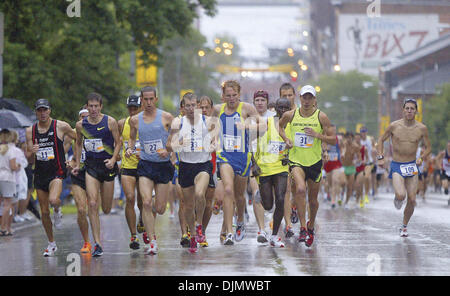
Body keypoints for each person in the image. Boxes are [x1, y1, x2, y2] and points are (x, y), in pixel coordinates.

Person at [279, 85, 336, 247]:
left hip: (315, 162)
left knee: (313, 200)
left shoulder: (321, 117)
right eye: (304, 97)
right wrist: (286, 139)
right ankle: (303, 227)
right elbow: (280, 126)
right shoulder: (291, 115)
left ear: (314, 100)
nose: (307, 100)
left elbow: (333, 139)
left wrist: (317, 135)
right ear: (300, 98)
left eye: (310, 97)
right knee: (300, 189)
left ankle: (311, 226)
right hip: (296, 161)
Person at [126, 86, 175, 255]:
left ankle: (149, 216)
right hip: (145, 165)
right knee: (145, 202)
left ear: (156, 99)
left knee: (160, 208)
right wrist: (130, 148)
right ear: (141, 100)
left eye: (150, 99)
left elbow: (177, 139)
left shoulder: (167, 117)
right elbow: (132, 137)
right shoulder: (135, 120)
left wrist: (168, 150)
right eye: (144, 99)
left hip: (163, 166)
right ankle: (152, 240)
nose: (148, 102)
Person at [213, 80, 262, 245]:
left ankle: (240, 219)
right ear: (223, 96)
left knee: (240, 196)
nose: (232, 98)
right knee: (228, 189)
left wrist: (248, 126)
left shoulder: (247, 108)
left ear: (239, 94)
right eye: (228, 95)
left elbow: (262, 126)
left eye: (234, 95)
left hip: (242, 157)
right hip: (225, 156)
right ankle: (228, 231)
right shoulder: (218, 110)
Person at [167, 92, 217, 253]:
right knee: (188, 206)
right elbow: (169, 146)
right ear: (183, 107)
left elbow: (216, 142)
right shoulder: (178, 122)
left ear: (197, 106)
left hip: (203, 164)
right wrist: (180, 142)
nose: (190, 108)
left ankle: (199, 224)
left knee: (200, 194)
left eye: (193, 105)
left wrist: (212, 144)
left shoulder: (208, 121)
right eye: (187, 105)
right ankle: (193, 235)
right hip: (185, 166)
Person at [73, 93, 122, 257]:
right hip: (91, 166)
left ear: (100, 106)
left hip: (107, 166)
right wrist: (78, 163)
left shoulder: (110, 121)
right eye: (90, 106)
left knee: (106, 209)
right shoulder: (81, 125)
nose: (93, 109)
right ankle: (97, 244)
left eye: (96, 106)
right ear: (86, 107)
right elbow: (78, 143)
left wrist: (114, 159)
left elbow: (118, 142)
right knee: (92, 204)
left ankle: (104, 203)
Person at [25, 99, 77, 256]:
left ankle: (58, 208)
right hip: (40, 174)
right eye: (39, 110)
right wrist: (32, 151)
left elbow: (78, 137)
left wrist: (74, 159)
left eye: (45, 110)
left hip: (57, 171)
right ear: (36, 112)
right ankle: (51, 243)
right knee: (44, 212)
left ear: (49, 111)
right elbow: (28, 158)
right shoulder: (30, 131)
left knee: (54, 200)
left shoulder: (61, 126)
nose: (42, 113)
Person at [377, 98, 431, 237]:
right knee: (401, 195)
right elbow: (381, 140)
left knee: (412, 199)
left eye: (412, 109)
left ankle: (404, 226)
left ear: (416, 111)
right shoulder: (394, 126)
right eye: (407, 108)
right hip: (397, 165)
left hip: (412, 166)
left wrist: (421, 158)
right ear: (403, 110)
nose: (409, 111)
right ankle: (398, 198)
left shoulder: (421, 128)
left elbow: (428, 148)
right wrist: (380, 157)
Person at [254, 97, 292, 247]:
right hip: (265, 167)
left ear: (290, 109)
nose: (283, 111)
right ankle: (262, 197)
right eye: (280, 108)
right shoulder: (268, 123)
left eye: (286, 108)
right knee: (269, 205)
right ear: (276, 109)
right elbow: (253, 142)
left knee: (281, 199)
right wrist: (254, 163)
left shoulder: (292, 125)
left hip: (281, 167)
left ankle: (274, 236)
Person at [118, 95, 145, 250]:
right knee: (129, 198)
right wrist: (115, 158)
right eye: (130, 108)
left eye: (136, 108)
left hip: (143, 166)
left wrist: (146, 153)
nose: (133, 111)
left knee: (143, 201)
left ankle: (142, 218)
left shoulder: (147, 123)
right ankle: (133, 235)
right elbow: (117, 142)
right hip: (128, 167)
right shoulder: (122, 123)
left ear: (141, 108)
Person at [250, 90, 276, 243]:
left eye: (262, 100)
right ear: (253, 102)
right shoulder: (248, 119)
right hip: (254, 161)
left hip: (272, 161)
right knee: (257, 194)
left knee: (271, 198)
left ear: (267, 102)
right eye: (257, 100)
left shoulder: (274, 118)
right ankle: (261, 229)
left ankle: (272, 221)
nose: (260, 102)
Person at [67, 107, 92, 253]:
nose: (84, 120)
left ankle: (97, 239)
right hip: (77, 174)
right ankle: (86, 242)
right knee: (81, 209)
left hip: (93, 173)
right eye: (82, 117)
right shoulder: (71, 134)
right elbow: (62, 152)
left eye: (87, 117)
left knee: (94, 208)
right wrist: (69, 162)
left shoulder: (98, 133)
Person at [0, 129, 21, 236]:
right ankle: (3, 228)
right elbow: (13, 167)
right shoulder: (11, 150)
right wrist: (18, 166)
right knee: (7, 204)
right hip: (8, 178)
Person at [323, 125, 345, 208]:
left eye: (335, 130)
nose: (334, 131)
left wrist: (342, 153)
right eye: (332, 130)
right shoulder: (325, 138)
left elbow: (343, 147)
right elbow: (322, 147)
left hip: (336, 163)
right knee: (330, 184)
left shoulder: (338, 139)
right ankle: (338, 195)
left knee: (335, 180)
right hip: (328, 164)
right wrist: (325, 149)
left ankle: (333, 200)